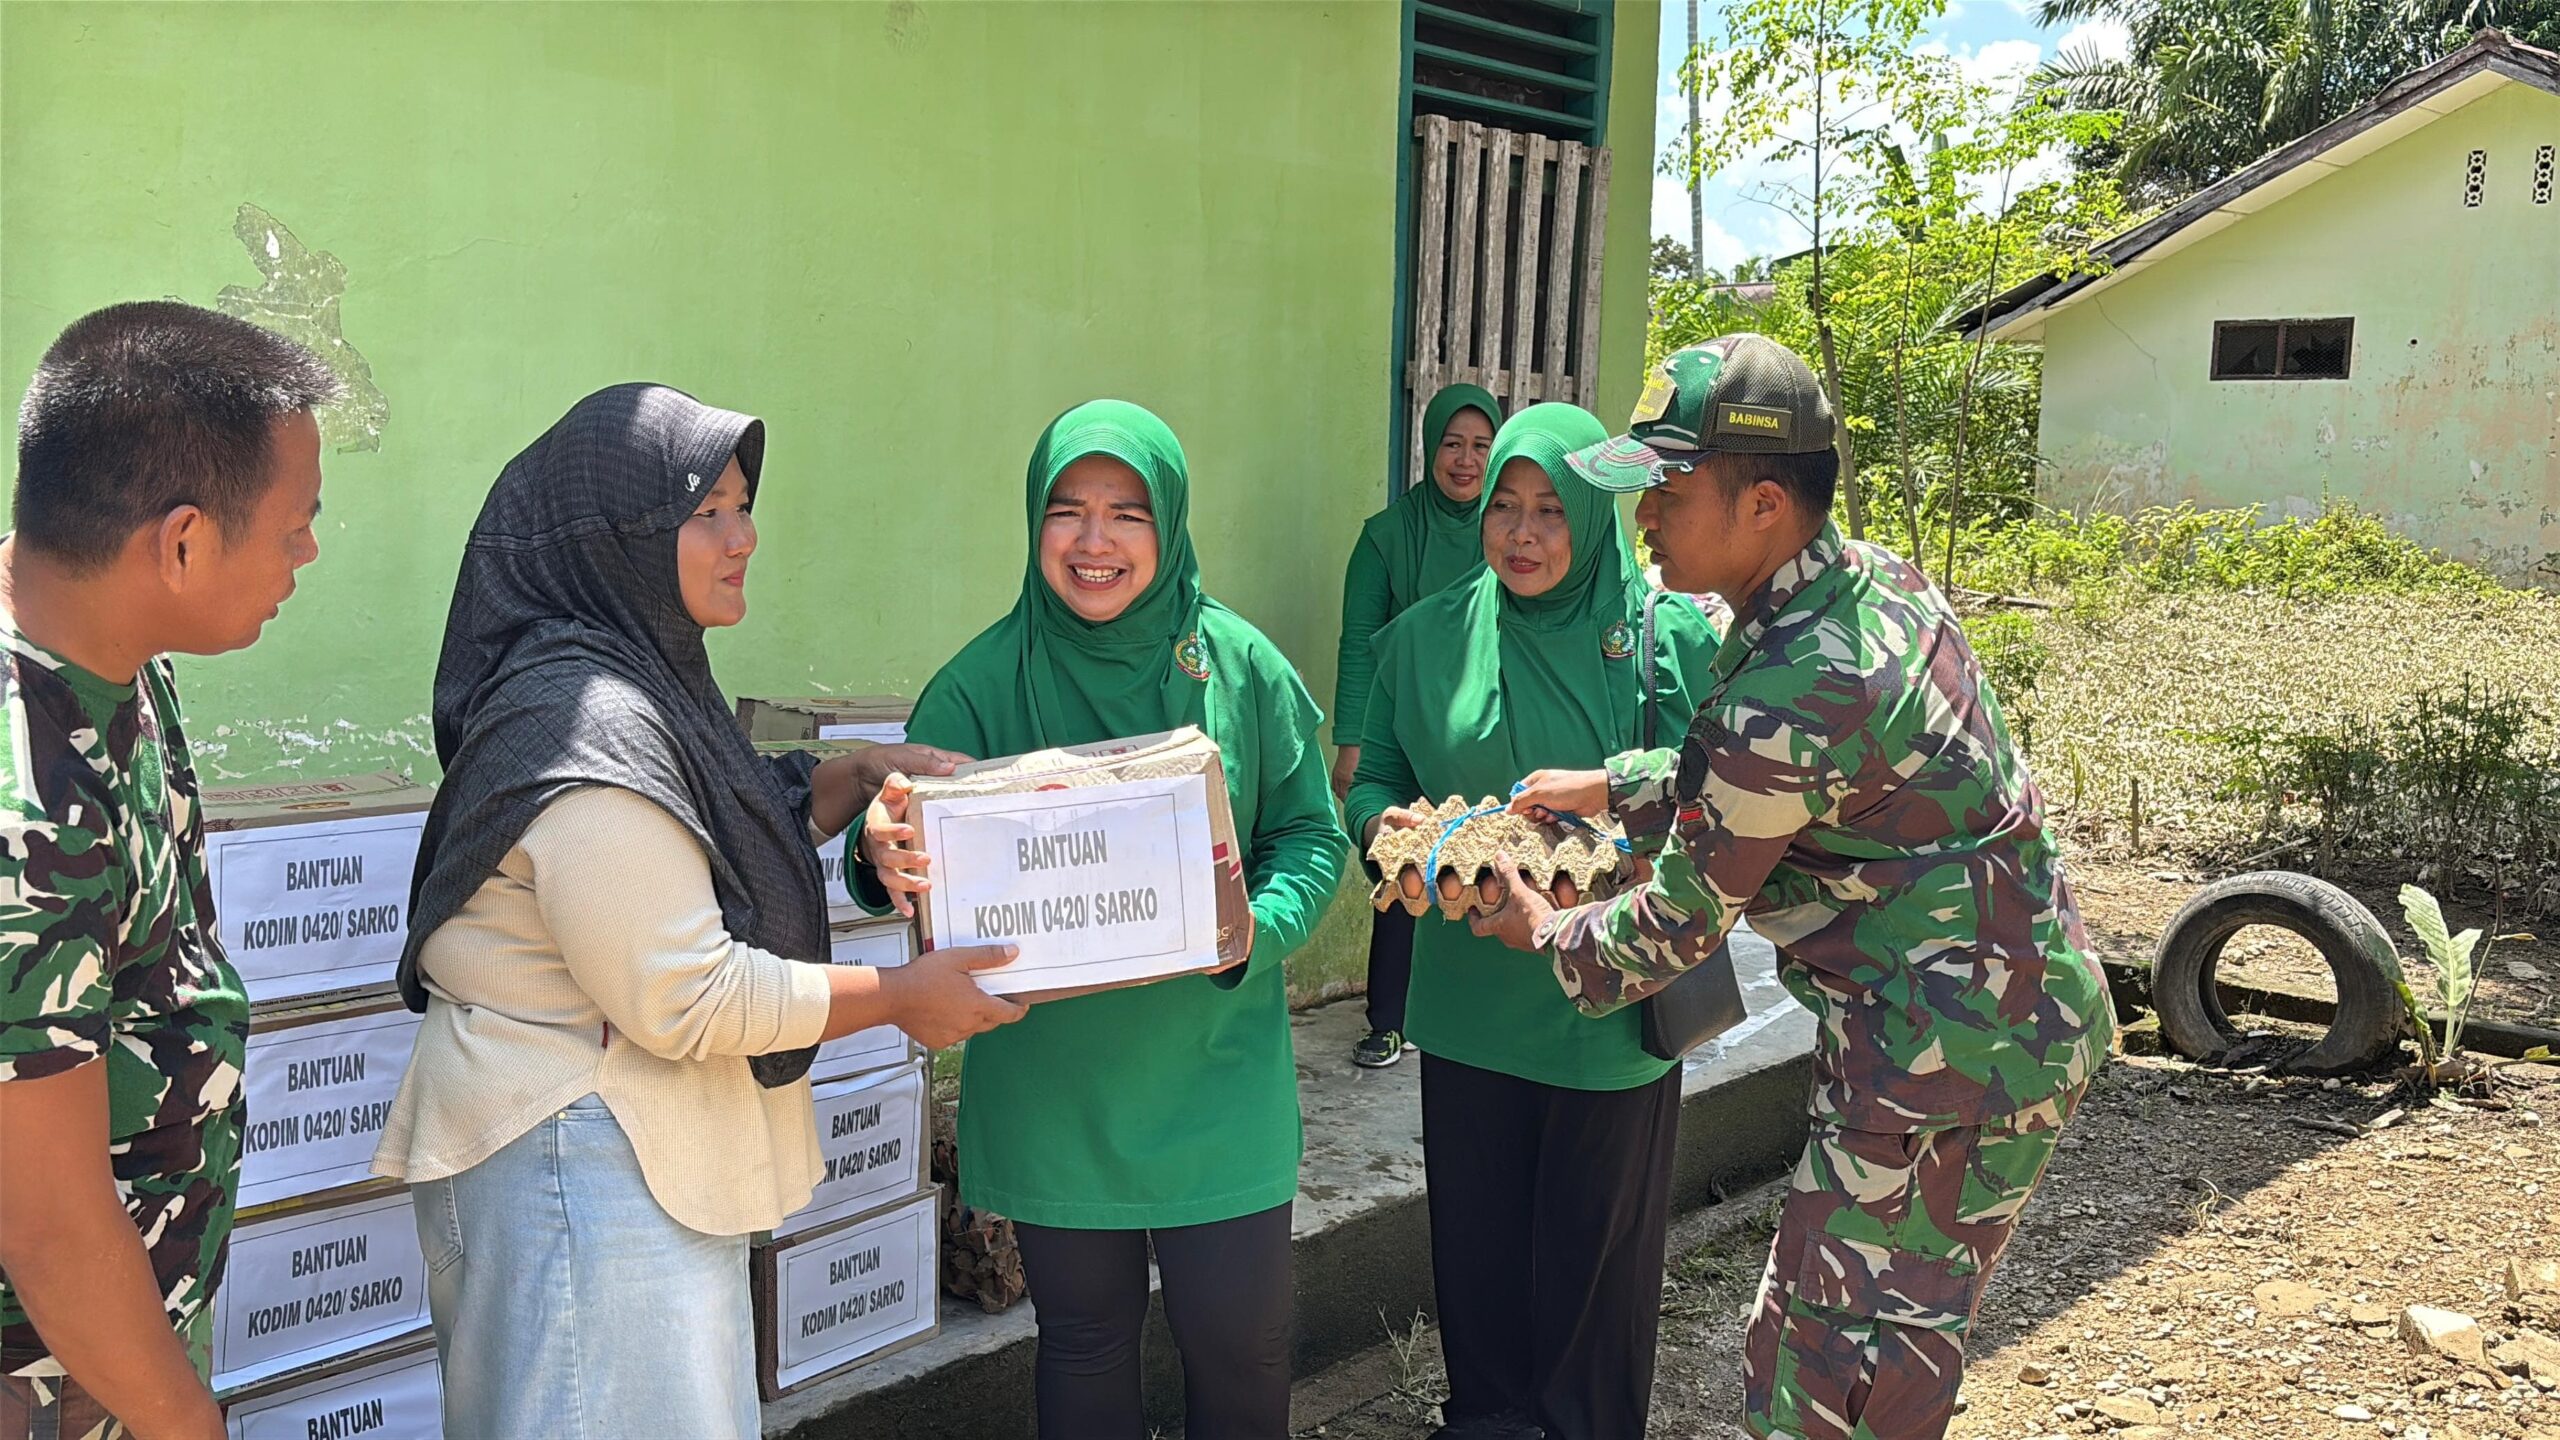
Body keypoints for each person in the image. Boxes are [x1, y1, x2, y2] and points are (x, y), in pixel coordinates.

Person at [1470, 336, 2113, 1440]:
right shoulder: (1867, 582)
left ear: (1764, 503)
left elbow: (1673, 925)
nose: (1643, 517)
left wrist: (1541, 924)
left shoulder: (1793, 679)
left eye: (1669, 490)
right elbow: (1787, 775)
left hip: (1942, 1059)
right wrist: (1615, 785)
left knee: (1832, 1370)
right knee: (1871, 1334)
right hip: (1997, 1019)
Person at [371, 384, 1025, 1439]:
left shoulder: (638, 677)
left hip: (613, 1164)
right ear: (616, 539)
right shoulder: (583, 732)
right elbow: (689, 993)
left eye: (742, 505)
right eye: (705, 512)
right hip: (579, 1180)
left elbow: (717, 825)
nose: (743, 536)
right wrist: (903, 997)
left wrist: (852, 775)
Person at [861, 400, 1347, 1440]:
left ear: (1169, 523)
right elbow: (906, 845)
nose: (1094, 541)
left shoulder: (1243, 669)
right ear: (1033, 521)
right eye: (1066, 510)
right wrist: (881, 854)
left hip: (1216, 1082)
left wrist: (1253, 931)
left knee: (1242, 1348)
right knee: (1083, 1345)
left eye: (1127, 513)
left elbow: (1312, 835)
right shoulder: (980, 685)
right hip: (1056, 1092)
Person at [1345, 402, 1729, 1440]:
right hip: (1469, 1009)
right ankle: (1486, 1420)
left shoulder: (1663, 640)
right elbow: (1375, 778)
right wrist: (1382, 827)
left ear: (1593, 517)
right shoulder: (1425, 640)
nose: (1521, 534)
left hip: (1604, 1008)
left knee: (1590, 1274)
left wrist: (1600, 860)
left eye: (1551, 511)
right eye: (1504, 507)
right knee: (1477, 1262)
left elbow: (1717, 798)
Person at [0, 302, 338, 1440]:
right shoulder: (21, 810)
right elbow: (47, 1225)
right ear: (183, 543)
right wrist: (183, 1422)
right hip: (45, 1373)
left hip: (115, 1345)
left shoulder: (108, 652)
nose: (307, 554)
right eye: (295, 526)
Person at [1332, 383, 1503, 1068]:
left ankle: (1474, 1017)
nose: (1466, 460)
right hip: (1402, 732)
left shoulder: (1506, 532)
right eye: (1453, 444)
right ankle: (1389, 1019)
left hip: (1486, 726)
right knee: (1405, 869)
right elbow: (1358, 642)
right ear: (1430, 447)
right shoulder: (1386, 538)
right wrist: (1352, 746)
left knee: (1489, 869)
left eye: (1482, 446)